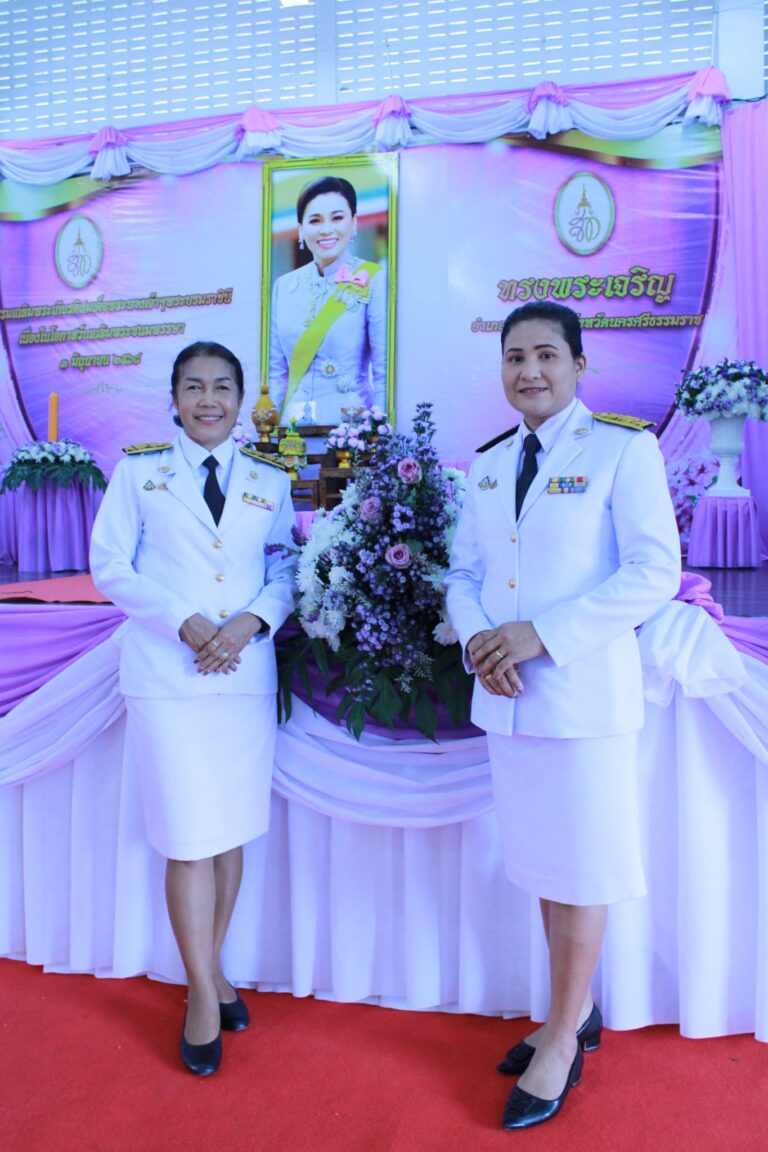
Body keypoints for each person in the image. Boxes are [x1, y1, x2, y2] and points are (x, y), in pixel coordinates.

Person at [445, 302, 681, 1130]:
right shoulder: (487, 463)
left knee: (583, 869)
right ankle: (571, 1013)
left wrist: (539, 636)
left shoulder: (623, 449)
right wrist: (480, 640)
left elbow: (654, 571)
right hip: (510, 701)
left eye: (547, 354)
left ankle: (561, 1041)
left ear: (580, 364)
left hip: (581, 700)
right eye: (515, 357)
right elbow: (464, 575)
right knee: (545, 866)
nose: (530, 371)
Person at [89, 341, 297, 1077]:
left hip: (240, 672)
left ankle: (212, 969)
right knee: (187, 837)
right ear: (174, 399)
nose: (209, 400)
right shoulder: (139, 473)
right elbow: (110, 564)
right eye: (194, 387)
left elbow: (286, 565)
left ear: (242, 400)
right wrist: (182, 619)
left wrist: (251, 621)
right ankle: (203, 993)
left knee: (229, 831)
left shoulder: (270, 478)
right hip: (169, 677)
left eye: (222, 387)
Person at [268, 174, 388, 426]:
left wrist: (379, 433)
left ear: (354, 222)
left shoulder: (374, 279)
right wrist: (269, 434)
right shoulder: (284, 286)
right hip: (293, 429)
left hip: (351, 429)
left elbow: (383, 374)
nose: (326, 229)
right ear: (301, 229)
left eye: (337, 218)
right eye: (315, 220)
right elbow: (276, 375)